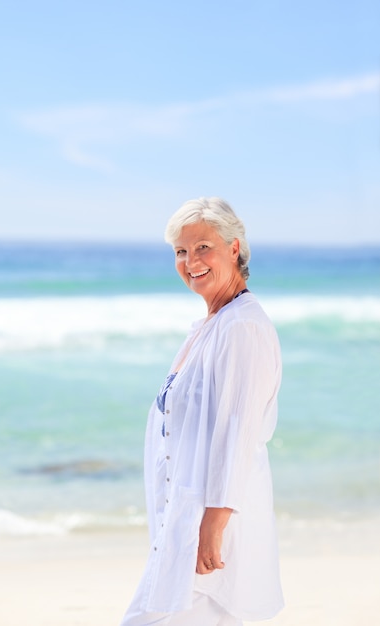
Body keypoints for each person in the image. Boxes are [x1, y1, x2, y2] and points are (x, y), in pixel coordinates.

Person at [120, 197, 284, 626]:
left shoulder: (242, 326)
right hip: (183, 525)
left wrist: (213, 524)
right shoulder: (211, 325)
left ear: (234, 248)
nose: (190, 261)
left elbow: (237, 432)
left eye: (202, 247)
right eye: (180, 251)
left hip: (208, 530)